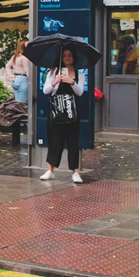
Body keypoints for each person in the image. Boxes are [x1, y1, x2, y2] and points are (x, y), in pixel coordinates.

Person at [41, 46, 86, 183]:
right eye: (65, 56)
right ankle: (50, 170)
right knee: (55, 141)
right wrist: (55, 81)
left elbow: (80, 92)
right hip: (57, 112)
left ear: (74, 58)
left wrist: (72, 82)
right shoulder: (53, 72)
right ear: (61, 58)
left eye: (70, 55)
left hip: (72, 113)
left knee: (73, 142)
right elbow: (46, 91)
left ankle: (75, 171)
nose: (67, 58)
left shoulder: (80, 74)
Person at [5, 39, 31, 104]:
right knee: (23, 104)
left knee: (17, 103)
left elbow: (7, 66)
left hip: (15, 79)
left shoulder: (15, 56)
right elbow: (27, 70)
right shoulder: (25, 57)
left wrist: (11, 76)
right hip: (23, 79)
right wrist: (32, 81)